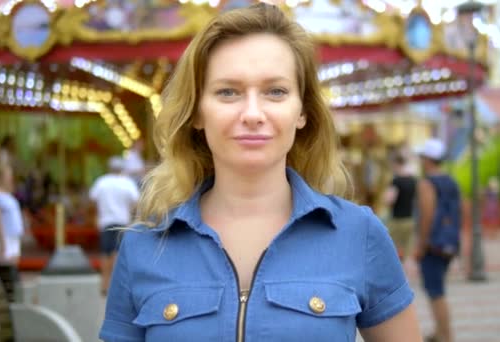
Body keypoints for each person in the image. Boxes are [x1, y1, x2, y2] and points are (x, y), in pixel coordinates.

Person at [99, 4, 421, 341]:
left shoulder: (359, 234)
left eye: (276, 92)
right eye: (228, 92)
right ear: (197, 112)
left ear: (302, 112)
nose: (253, 113)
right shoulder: (143, 247)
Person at [415, 138, 461, 342]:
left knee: (436, 292)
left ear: (428, 160)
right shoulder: (451, 181)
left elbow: (427, 215)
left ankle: (446, 335)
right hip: (449, 243)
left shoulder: (427, 184)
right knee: (438, 287)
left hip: (433, 244)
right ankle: (439, 331)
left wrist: (421, 245)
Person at [89, 156, 140, 295]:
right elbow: (136, 202)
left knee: (105, 253)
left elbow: (92, 199)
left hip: (106, 221)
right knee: (118, 253)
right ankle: (116, 285)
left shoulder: (102, 182)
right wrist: (130, 214)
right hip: (122, 222)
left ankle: (104, 284)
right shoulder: (127, 183)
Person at [384, 153, 417, 262]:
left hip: (397, 219)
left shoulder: (396, 181)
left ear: (396, 164)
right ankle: (407, 275)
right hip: (410, 219)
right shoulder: (413, 180)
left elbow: (389, 200)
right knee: (408, 251)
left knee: (391, 248)